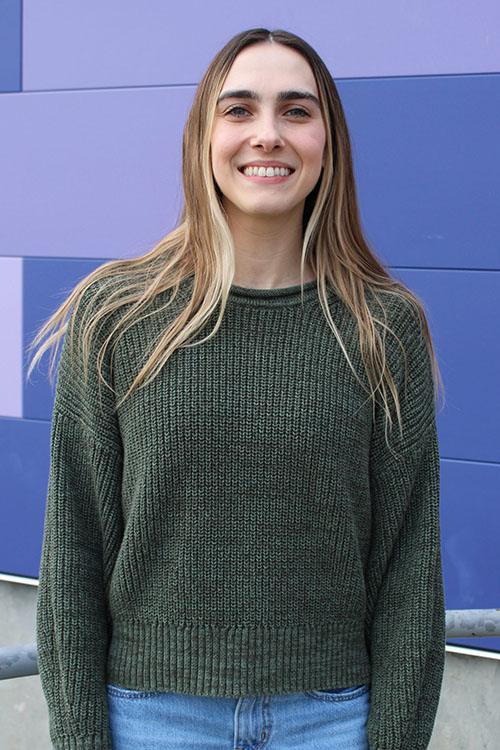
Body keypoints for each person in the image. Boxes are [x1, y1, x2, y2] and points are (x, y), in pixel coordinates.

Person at [32, 28, 445, 750]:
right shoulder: (119, 313)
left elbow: (409, 567)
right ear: (203, 137)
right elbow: (74, 552)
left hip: (333, 719)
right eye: (239, 110)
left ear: (328, 141)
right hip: (150, 718)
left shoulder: (384, 326)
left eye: (296, 110)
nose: (267, 134)